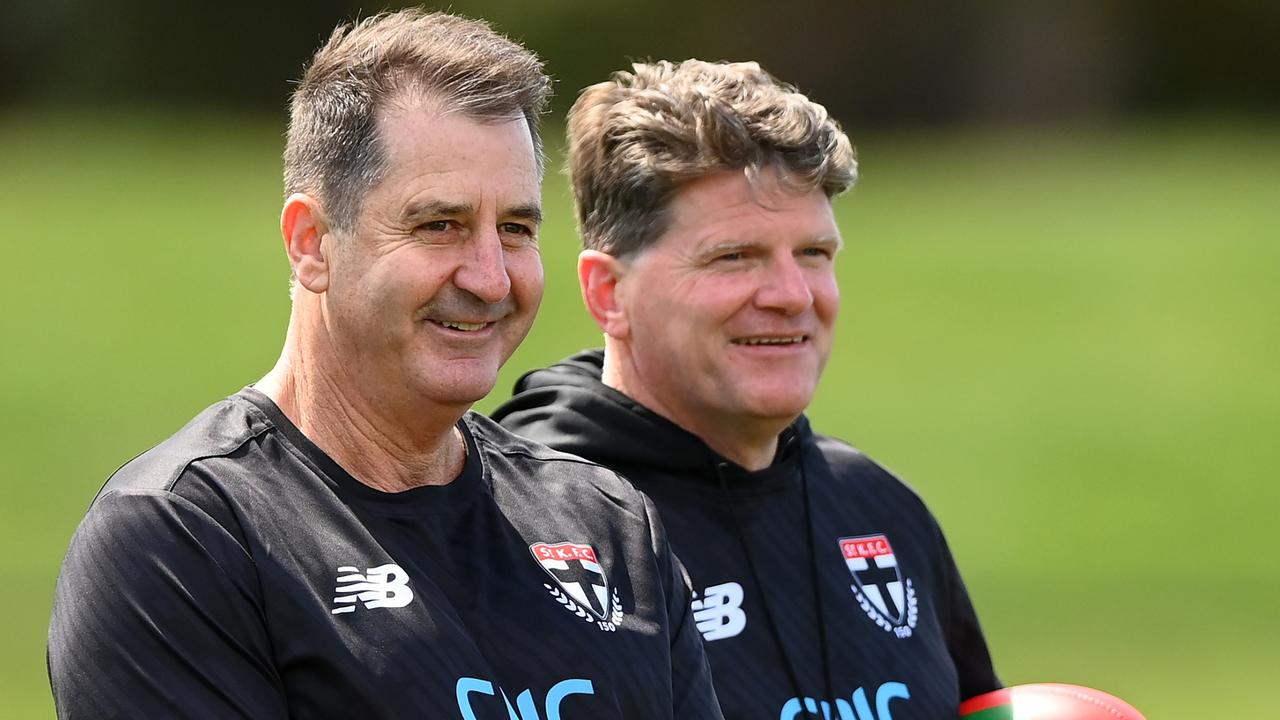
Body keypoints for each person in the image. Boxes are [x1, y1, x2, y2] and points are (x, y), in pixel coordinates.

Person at [47, 13, 721, 719]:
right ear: (311, 242)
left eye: (515, 229)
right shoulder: (185, 540)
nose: (492, 279)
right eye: (439, 225)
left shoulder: (609, 524)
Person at [493, 59, 1000, 719]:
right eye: (734, 257)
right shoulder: (516, 528)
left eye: (814, 254)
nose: (792, 296)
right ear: (608, 292)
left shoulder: (880, 511)